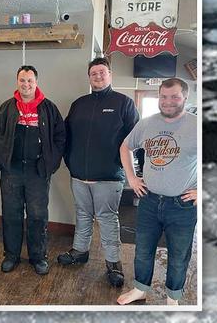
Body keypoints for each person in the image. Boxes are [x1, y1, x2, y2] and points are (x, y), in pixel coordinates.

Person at [58, 57, 139, 288]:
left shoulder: (124, 103)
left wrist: (132, 170)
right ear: (89, 77)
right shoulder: (79, 104)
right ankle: (80, 251)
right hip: (79, 176)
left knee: (107, 219)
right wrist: (70, 162)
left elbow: (135, 139)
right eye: (94, 73)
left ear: (110, 75)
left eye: (102, 72)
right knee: (82, 215)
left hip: (108, 176)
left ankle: (114, 264)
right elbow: (66, 136)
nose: (98, 76)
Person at [117, 78, 197, 306]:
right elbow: (125, 146)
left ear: (185, 98)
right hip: (149, 200)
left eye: (174, 97)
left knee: (178, 255)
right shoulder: (147, 123)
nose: (168, 101)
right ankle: (140, 289)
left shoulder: (197, 126)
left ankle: (173, 298)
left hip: (182, 205)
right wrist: (131, 177)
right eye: (164, 96)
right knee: (143, 250)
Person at [0, 65, 65, 275]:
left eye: (30, 81)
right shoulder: (7, 108)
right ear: (17, 82)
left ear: (36, 82)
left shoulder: (48, 108)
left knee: (37, 215)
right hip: (11, 172)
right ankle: (11, 256)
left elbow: (60, 137)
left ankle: (38, 257)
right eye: (22, 80)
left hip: (38, 172)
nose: (26, 85)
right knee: (11, 215)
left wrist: (51, 163)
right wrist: (2, 160)